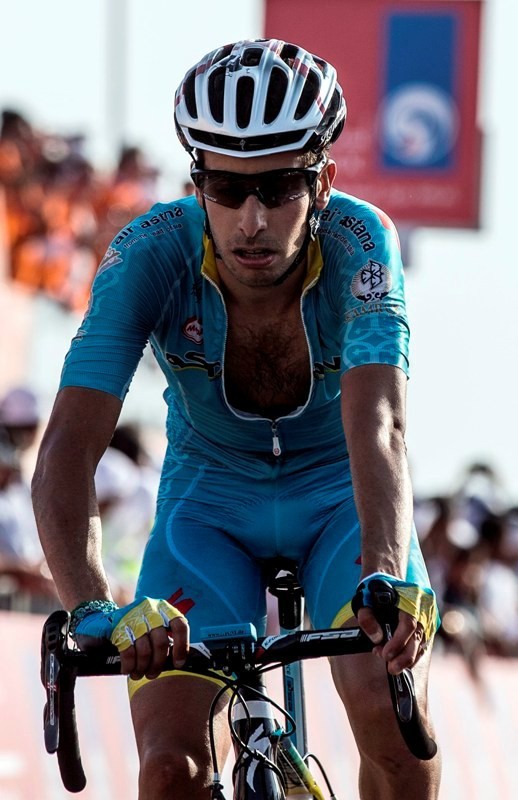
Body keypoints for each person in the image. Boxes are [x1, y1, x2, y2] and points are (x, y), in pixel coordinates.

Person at [32, 39, 440, 799]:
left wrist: (386, 570)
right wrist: (90, 607)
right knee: (169, 769)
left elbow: (380, 423)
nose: (252, 220)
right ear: (198, 184)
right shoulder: (148, 253)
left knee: (391, 726)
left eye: (279, 188)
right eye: (226, 188)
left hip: (340, 496)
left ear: (323, 182)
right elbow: (65, 450)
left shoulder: (361, 243)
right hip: (209, 504)